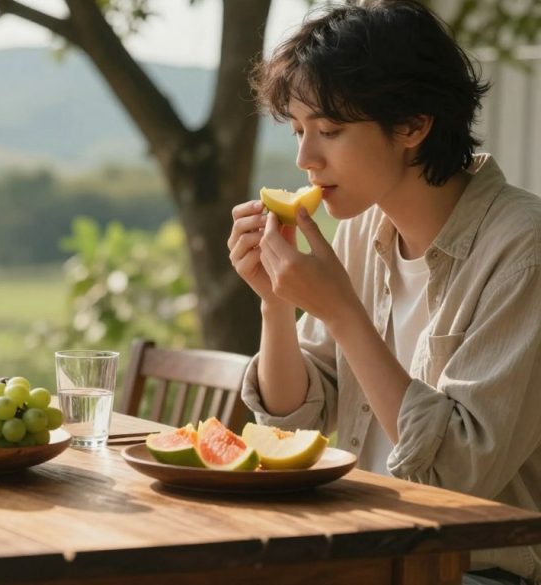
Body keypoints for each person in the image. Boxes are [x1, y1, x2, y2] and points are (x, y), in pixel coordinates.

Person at [228, 1, 541, 584]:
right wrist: (275, 301)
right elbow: (297, 429)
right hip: (361, 548)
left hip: (472, 571)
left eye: (330, 130)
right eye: (299, 131)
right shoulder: (360, 233)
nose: (305, 158)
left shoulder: (524, 249)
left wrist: (343, 313)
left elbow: (456, 474)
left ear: (412, 125)